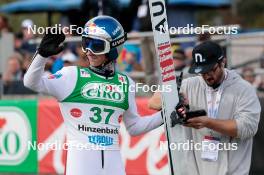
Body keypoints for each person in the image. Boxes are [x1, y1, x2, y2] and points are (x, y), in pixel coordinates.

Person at [24, 16, 164, 175]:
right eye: (86, 43)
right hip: (81, 164)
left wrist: (166, 115)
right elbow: (31, 82)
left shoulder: (126, 83)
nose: (89, 51)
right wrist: (41, 55)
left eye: (96, 45)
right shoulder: (71, 76)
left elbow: (134, 127)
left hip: (114, 164)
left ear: (113, 48)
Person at [148, 41, 261, 175]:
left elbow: (248, 128)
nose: (207, 75)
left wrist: (208, 122)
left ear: (223, 62)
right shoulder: (191, 84)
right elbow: (153, 102)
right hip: (197, 170)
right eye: (202, 71)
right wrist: (176, 101)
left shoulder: (243, 89)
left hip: (233, 170)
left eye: (211, 69)